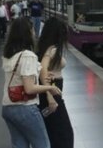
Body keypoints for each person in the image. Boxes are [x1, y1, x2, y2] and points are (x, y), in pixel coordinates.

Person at [2, 17, 62, 148]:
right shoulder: (28, 55)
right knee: (43, 145)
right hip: (25, 108)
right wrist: (49, 88)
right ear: (27, 33)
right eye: (32, 30)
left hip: (8, 107)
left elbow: (23, 75)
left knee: (20, 145)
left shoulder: (8, 55)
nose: (34, 33)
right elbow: (29, 88)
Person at [37, 17, 74, 148]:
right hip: (52, 91)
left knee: (54, 131)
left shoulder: (45, 48)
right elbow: (43, 69)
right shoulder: (52, 49)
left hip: (51, 88)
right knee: (64, 132)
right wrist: (50, 96)